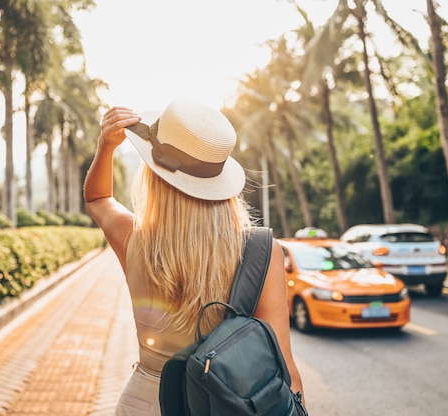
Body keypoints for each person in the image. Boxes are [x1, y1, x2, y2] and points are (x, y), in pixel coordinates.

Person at [84, 99, 305, 415]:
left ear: (153, 177)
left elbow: (97, 198)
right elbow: (283, 363)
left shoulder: (134, 240)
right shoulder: (261, 251)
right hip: (224, 402)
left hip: (145, 402)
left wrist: (106, 147)